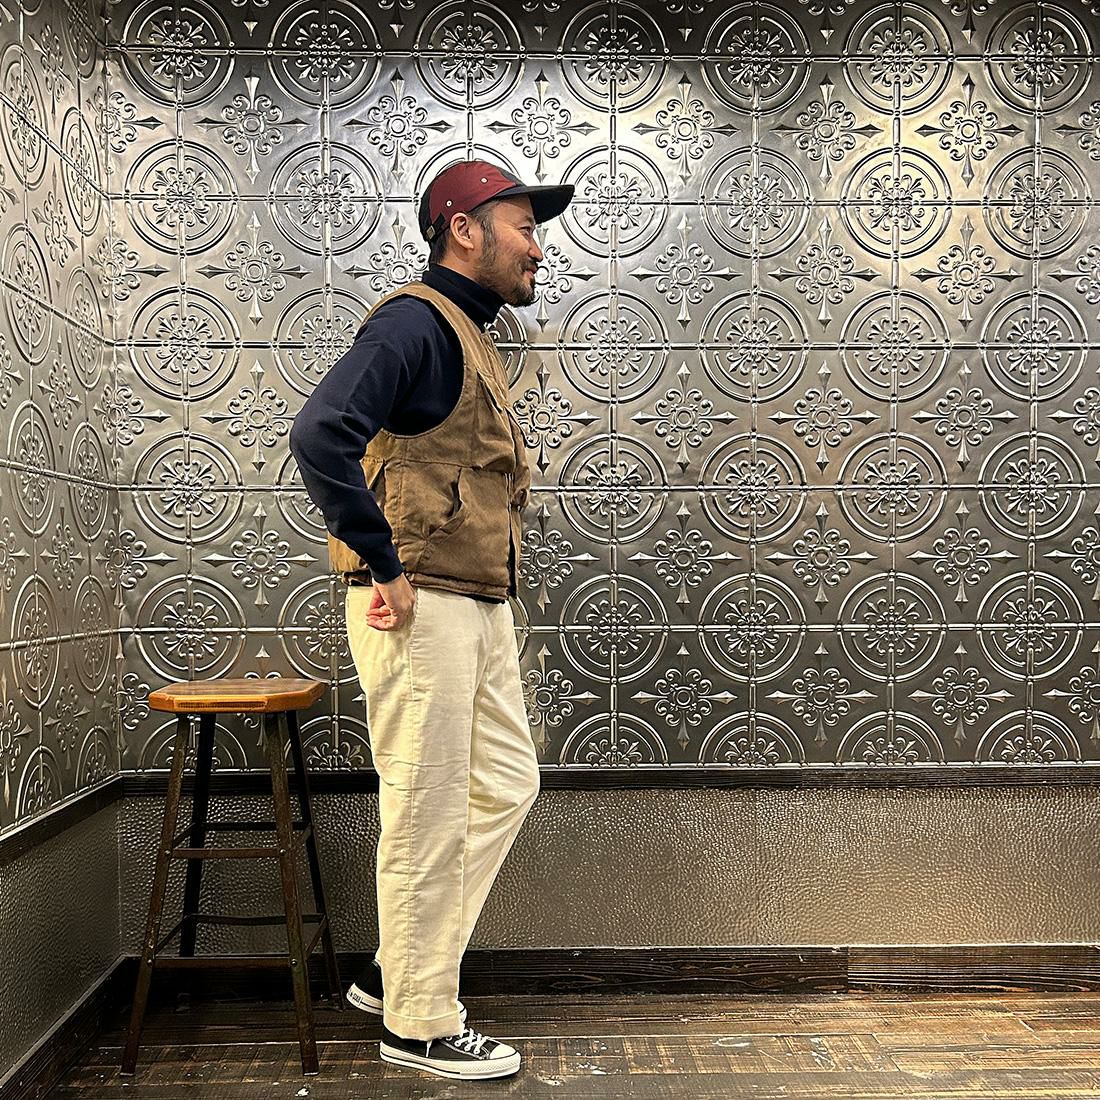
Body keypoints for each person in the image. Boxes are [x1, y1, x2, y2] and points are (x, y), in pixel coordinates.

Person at [289, 160, 574, 1081]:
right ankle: (418, 1022)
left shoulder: (467, 331)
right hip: (419, 603)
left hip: (474, 599)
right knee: (427, 806)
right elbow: (320, 432)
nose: (537, 247)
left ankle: (395, 970)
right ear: (464, 229)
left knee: (504, 784)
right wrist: (382, 564)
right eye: (523, 226)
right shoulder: (414, 322)